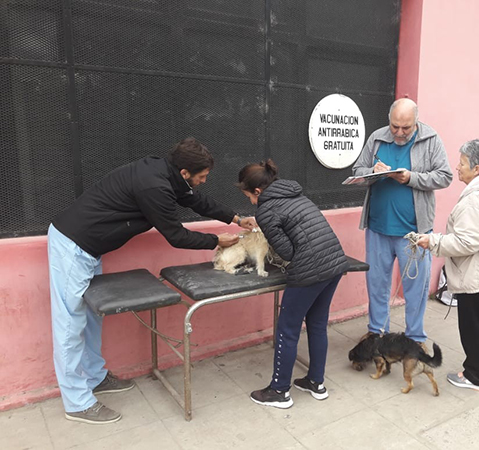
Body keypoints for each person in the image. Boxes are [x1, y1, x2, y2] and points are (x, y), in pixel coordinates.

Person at [48, 137, 257, 424]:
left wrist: (235, 217)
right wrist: (215, 241)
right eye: (202, 176)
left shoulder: (167, 174)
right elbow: (176, 235)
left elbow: (196, 201)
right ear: (185, 172)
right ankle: (76, 402)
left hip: (88, 247)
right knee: (71, 324)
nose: (204, 181)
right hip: (73, 247)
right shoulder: (154, 186)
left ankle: (95, 377)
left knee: (92, 317)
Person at [237, 159, 350, 409]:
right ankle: (316, 383)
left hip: (309, 271)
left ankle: (279, 391)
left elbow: (287, 252)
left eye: (249, 197)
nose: (251, 203)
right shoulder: (297, 194)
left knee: (287, 330)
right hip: (334, 264)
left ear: (257, 191)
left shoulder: (265, 210)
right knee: (317, 324)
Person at [416, 138, 479, 392]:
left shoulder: (476, 199)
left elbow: (466, 243)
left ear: (476, 169)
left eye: (462, 163)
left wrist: (434, 242)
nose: (457, 167)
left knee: (475, 327)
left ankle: (476, 375)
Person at [352, 98, 452, 344]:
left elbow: (444, 176)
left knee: (415, 288)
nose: (398, 132)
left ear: (416, 122)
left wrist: (411, 178)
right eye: (394, 126)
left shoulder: (431, 140)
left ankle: (414, 337)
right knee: (377, 284)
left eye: (405, 128)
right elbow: (357, 171)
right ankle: (377, 332)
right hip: (378, 227)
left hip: (414, 232)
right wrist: (371, 173)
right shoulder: (377, 138)